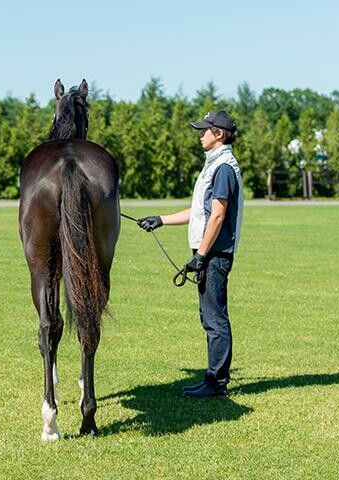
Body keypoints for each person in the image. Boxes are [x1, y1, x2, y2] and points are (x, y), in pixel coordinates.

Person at [138, 110, 244, 398]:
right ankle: (213, 378)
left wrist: (201, 255)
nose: (200, 134)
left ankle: (217, 383)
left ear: (219, 133)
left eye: (204, 129)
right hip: (210, 251)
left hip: (215, 253)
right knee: (209, 316)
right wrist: (160, 219)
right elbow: (200, 213)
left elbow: (218, 216)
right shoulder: (214, 166)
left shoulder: (223, 168)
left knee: (215, 318)